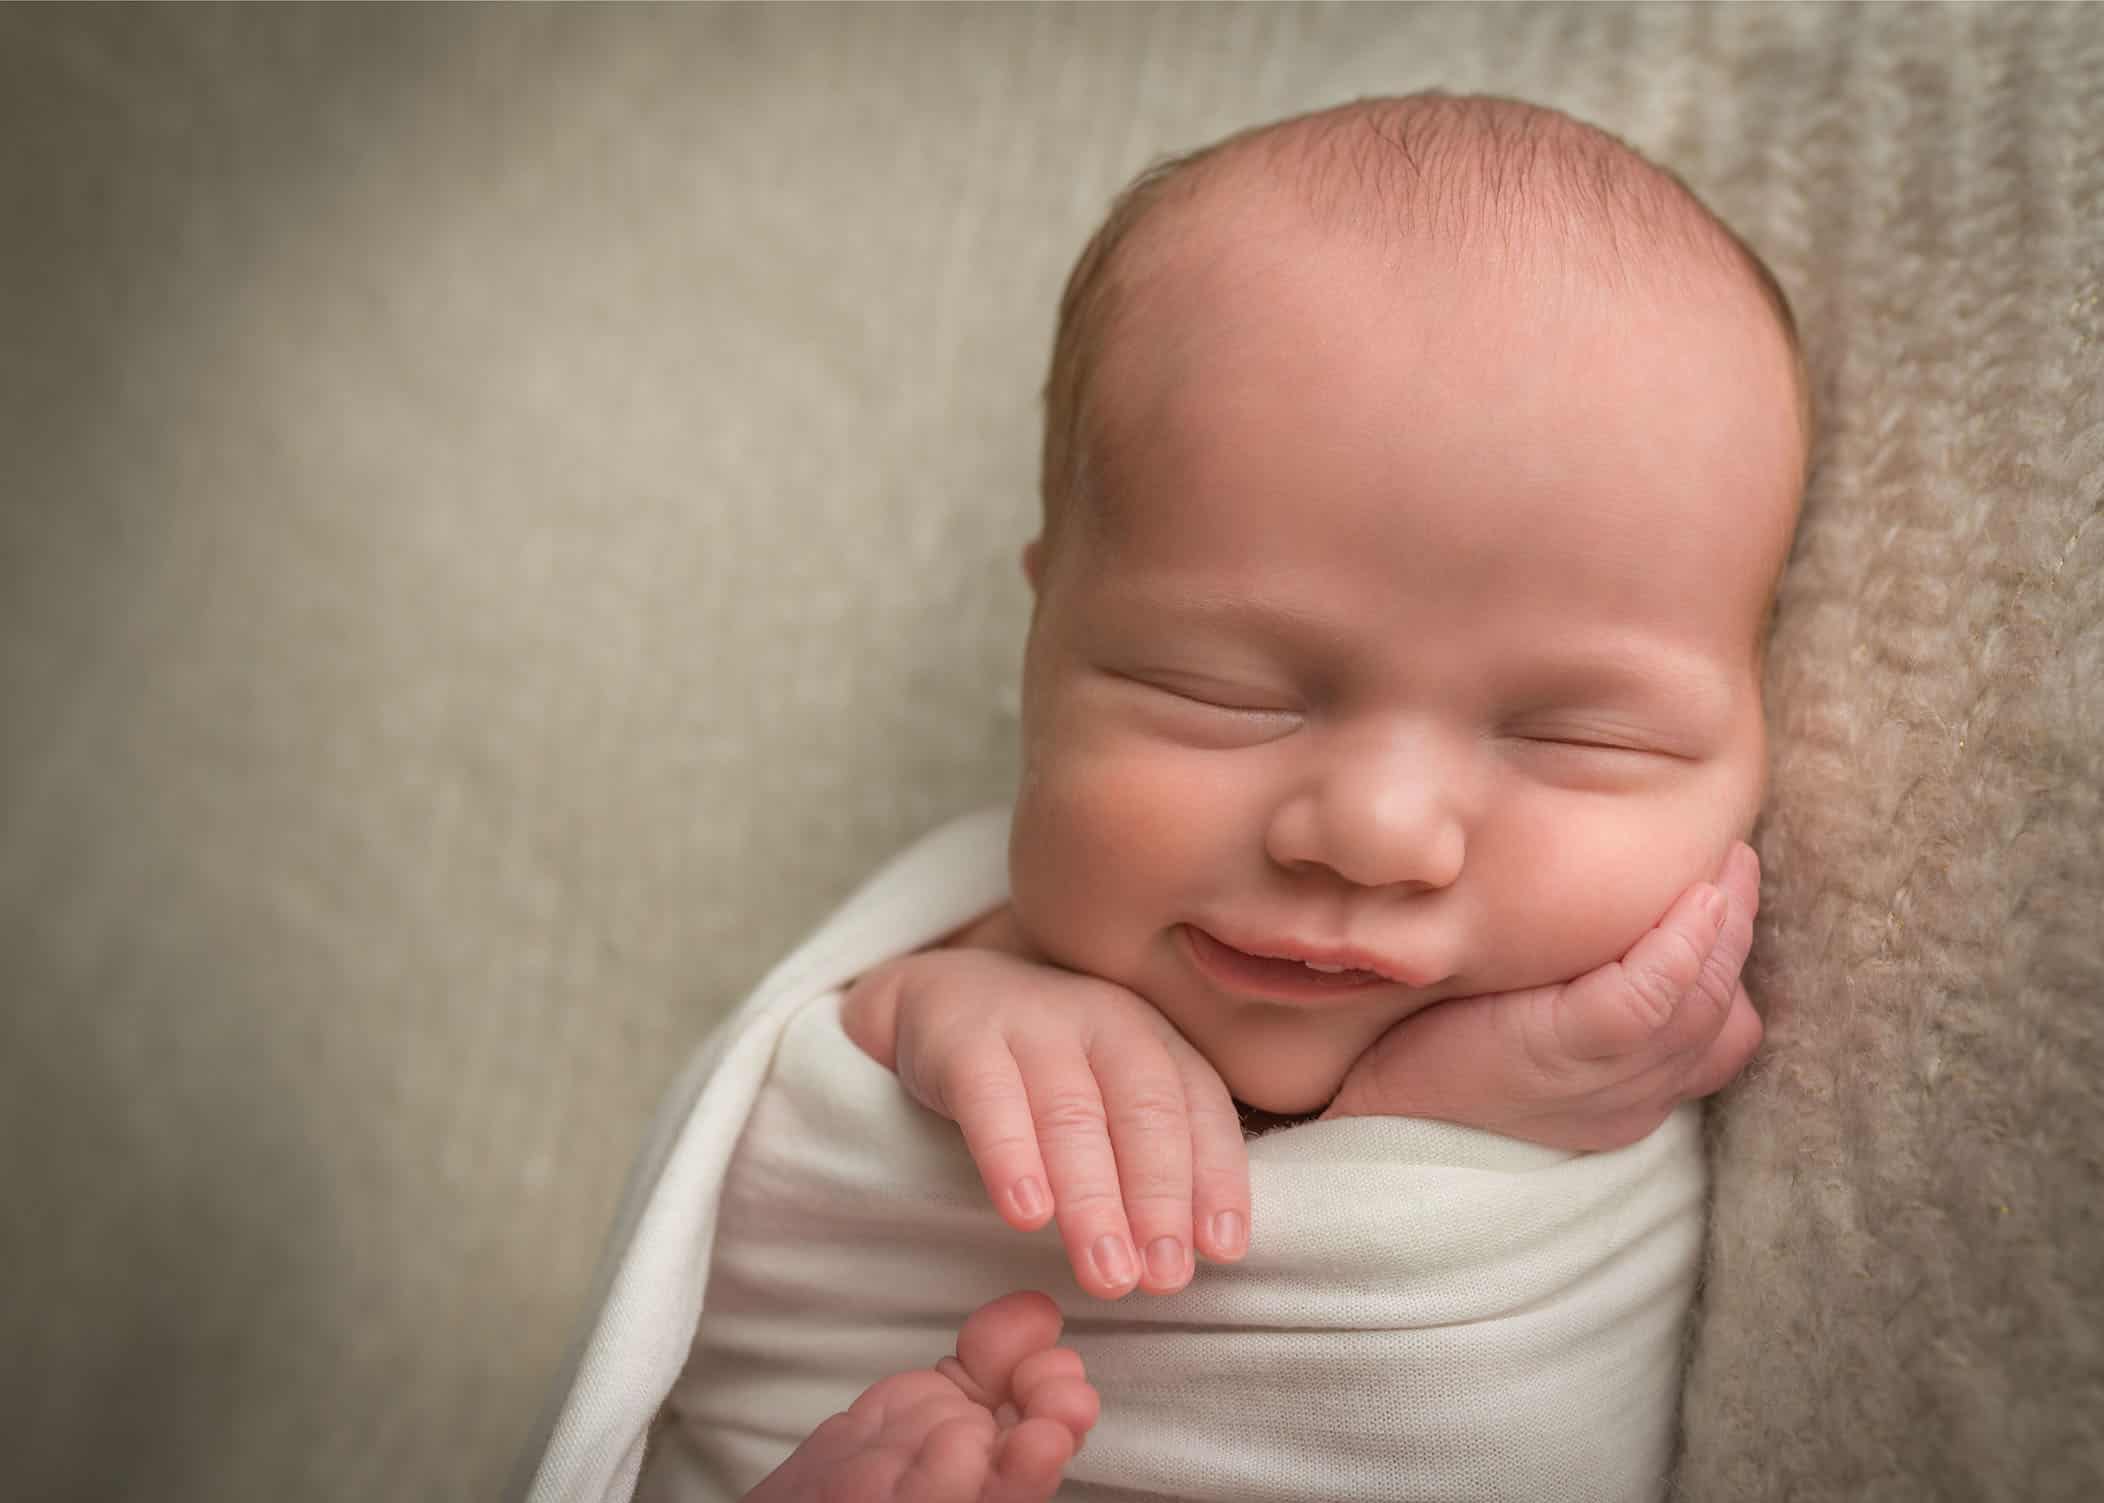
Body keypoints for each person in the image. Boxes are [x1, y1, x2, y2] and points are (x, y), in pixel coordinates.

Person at [739, 89, 1805, 1503]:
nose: (1372, 834)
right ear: (1043, 636)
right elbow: (777, 1186)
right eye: (1225, 694)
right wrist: (952, 1001)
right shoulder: (943, 982)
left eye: (1572, 735)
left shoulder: (1645, 1060)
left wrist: (1463, 1111)